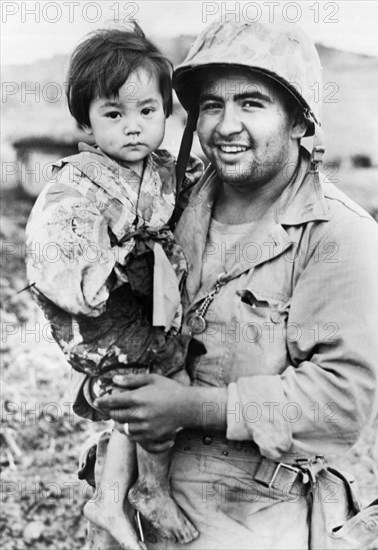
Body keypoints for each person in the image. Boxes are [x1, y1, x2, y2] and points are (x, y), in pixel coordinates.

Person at [85, 20, 378, 549]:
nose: (226, 125)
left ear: (299, 120)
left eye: (252, 103)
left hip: (250, 514)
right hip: (133, 496)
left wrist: (188, 408)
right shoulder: (167, 205)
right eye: (211, 105)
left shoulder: (342, 238)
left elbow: (343, 399)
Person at [25, 22, 203, 550]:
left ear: (166, 114)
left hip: (155, 311)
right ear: (85, 120)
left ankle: (112, 498)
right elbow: (59, 233)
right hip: (111, 316)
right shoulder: (80, 180)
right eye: (114, 114)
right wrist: (96, 268)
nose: (133, 128)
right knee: (149, 395)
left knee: (160, 387)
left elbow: (196, 196)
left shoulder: (166, 170)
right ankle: (148, 489)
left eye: (147, 112)